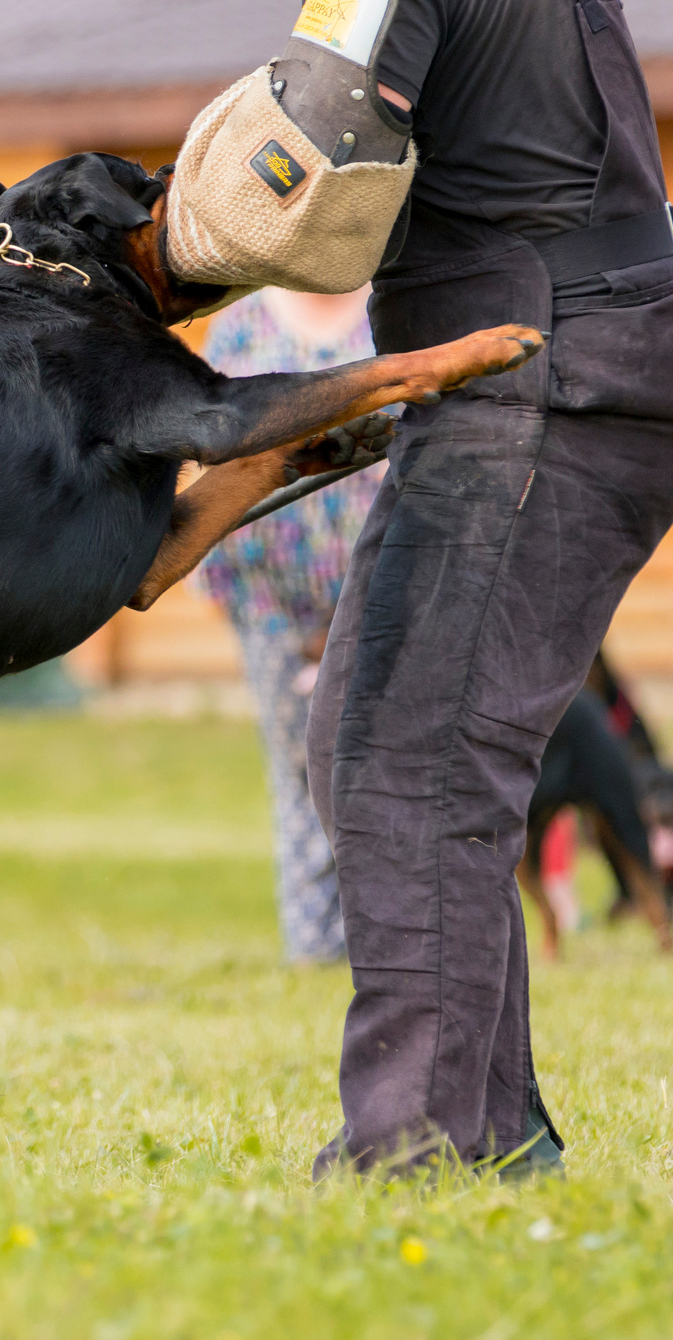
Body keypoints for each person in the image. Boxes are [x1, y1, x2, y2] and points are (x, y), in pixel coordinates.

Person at [160, 0, 673, 1177]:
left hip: (552, 373)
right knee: (375, 731)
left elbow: (311, 169)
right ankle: (499, 1132)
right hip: (558, 360)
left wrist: (137, 277)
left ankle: (413, 1145)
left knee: (411, 750)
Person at [196, 286, 382, 964]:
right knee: (299, 765)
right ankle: (313, 945)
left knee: (380, 762)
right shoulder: (241, 326)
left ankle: (382, 945)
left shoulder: (390, 310)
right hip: (268, 599)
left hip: (384, 587)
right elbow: (213, 448)